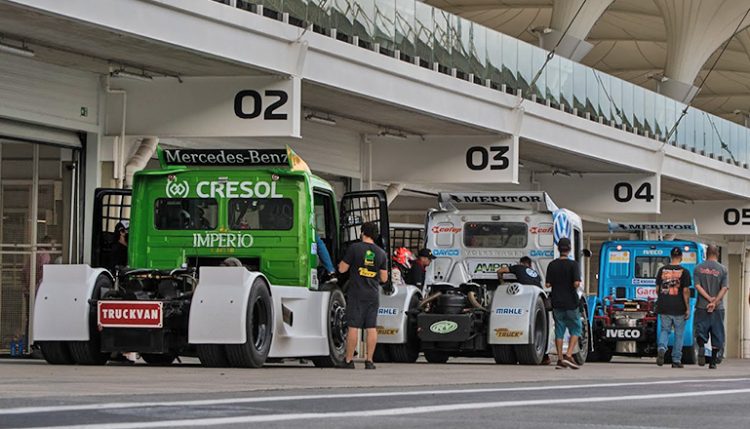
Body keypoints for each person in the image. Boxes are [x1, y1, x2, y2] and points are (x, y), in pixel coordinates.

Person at [338, 221, 388, 370]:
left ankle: (348, 360)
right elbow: (384, 278)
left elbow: (342, 269)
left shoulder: (354, 248)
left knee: (353, 327)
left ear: (362, 233)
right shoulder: (381, 253)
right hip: (373, 294)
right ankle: (369, 361)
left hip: (356, 294)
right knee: (371, 327)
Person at [545, 237, 582, 370]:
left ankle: (560, 359)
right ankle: (569, 355)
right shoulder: (574, 265)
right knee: (576, 328)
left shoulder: (552, 265)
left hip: (556, 302)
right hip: (571, 302)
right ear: (570, 249)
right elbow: (576, 283)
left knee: (559, 331)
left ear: (558, 249)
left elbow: (547, 284)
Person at [655, 247, 691, 368]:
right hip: (679, 307)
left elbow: (657, 289)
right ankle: (676, 360)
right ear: (681, 257)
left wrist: (662, 298)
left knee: (665, 330)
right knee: (679, 334)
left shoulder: (662, 270)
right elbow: (685, 291)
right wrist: (687, 308)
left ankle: (661, 348)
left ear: (671, 256)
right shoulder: (684, 272)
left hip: (664, 306)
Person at [693, 245, 728, 369]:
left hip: (702, 306)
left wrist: (708, 299)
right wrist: (715, 301)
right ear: (717, 253)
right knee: (717, 333)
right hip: (718, 308)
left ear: (707, 253)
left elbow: (697, 286)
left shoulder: (698, 268)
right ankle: (713, 362)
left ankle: (701, 347)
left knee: (700, 330)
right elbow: (724, 288)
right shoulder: (723, 269)